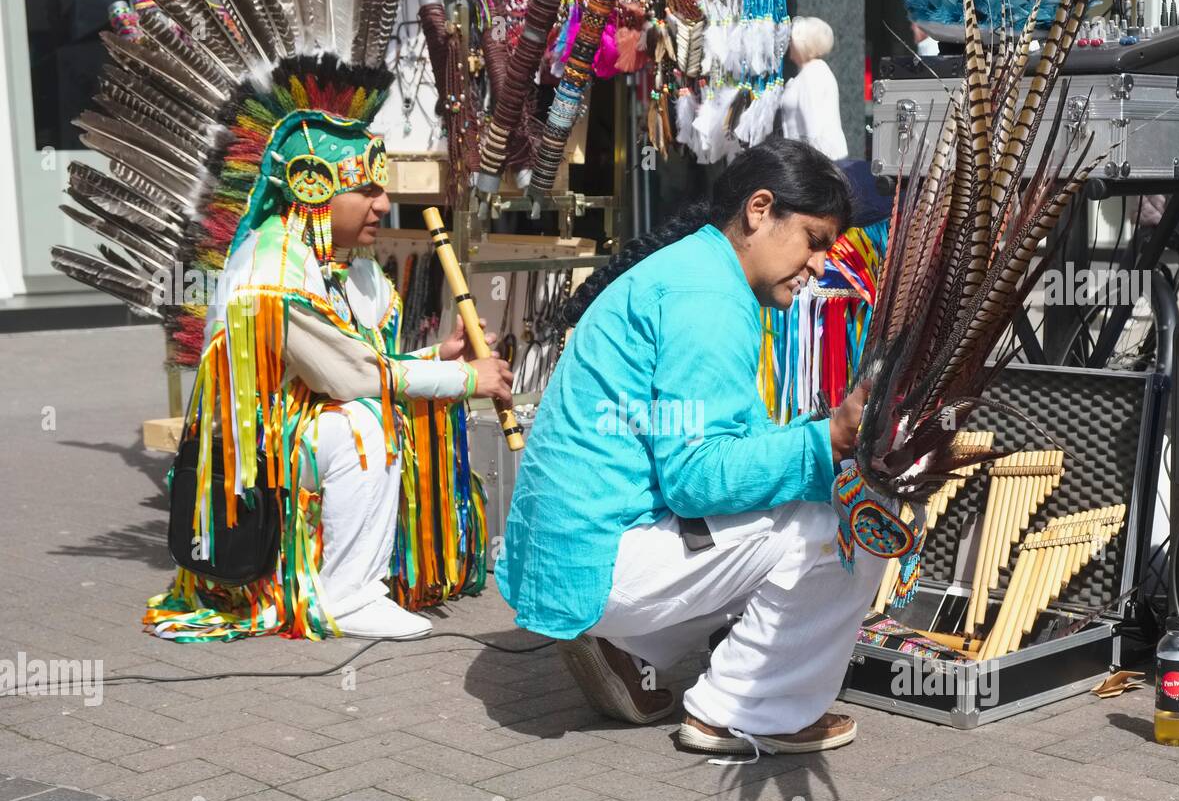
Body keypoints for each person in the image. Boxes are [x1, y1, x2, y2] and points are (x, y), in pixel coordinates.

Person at [495, 139, 889, 758]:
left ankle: (632, 649)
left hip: (572, 551)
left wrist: (814, 440)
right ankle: (740, 712)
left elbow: (723, 444)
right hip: (603, 556)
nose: (819, 266)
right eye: (814, 241)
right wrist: (829, 442)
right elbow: (698, 479)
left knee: (797, 502)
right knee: (850, 523)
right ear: (760, 210)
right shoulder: (706, 296)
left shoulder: (699, 270)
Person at [142, 55, 514, 643]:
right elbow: (349, 378)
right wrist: (469, 381)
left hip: (297, 432)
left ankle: (359, 578)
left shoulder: (342, 264)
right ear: (313, 190)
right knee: (364, 423)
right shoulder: (273, 267)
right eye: (365, 190)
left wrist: (439, 358)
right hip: (254, 459)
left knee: (372, 413)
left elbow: (363, 361)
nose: (382, 206)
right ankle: (345, 594)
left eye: (381, 190)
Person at [779, 16, 849, 162]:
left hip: (817, 161)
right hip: (811, 159)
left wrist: (811, 166)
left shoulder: (813, 73)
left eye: (791, 41)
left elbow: (813, 126)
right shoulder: (811, 72)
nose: (789, 45)